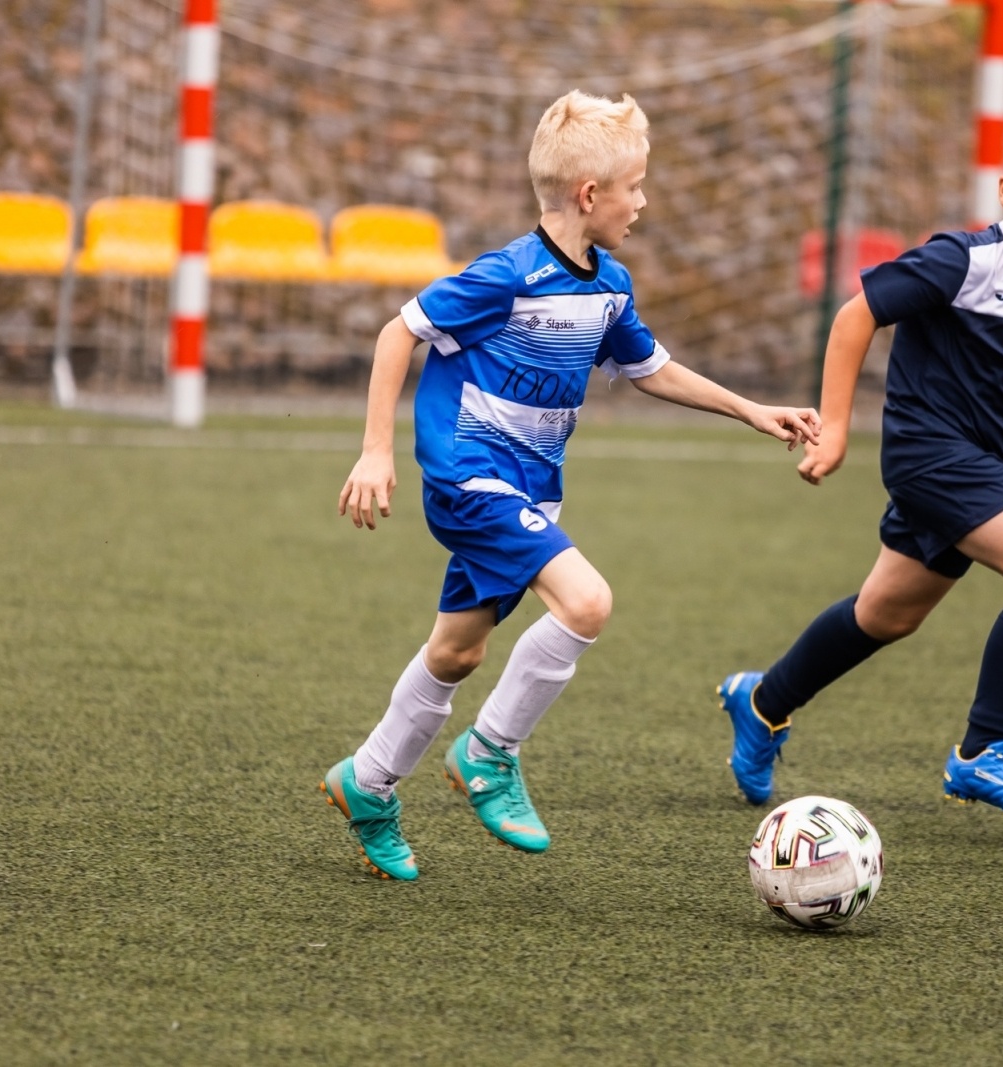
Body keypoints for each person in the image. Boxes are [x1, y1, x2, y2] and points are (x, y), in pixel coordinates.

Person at [323, 89, 821, 880]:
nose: (644, 202)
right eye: (637, 186)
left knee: (458, 652)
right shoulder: (506, 275)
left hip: (530, 492)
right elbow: (399, 332)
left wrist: (750, 409)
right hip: (469, 478)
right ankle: (489, 753)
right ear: (591, 195)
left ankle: (368, 780)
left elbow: (650, 368)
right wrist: (375, 451)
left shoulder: (609, 284)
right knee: (587, 601)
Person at [719, 116, 1003, 817]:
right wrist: (836, 429)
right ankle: (984, 750)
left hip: (983, 466)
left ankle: (762, 702)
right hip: (927, 453)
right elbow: (855, 316)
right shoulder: (960, 261)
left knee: (886, 613)